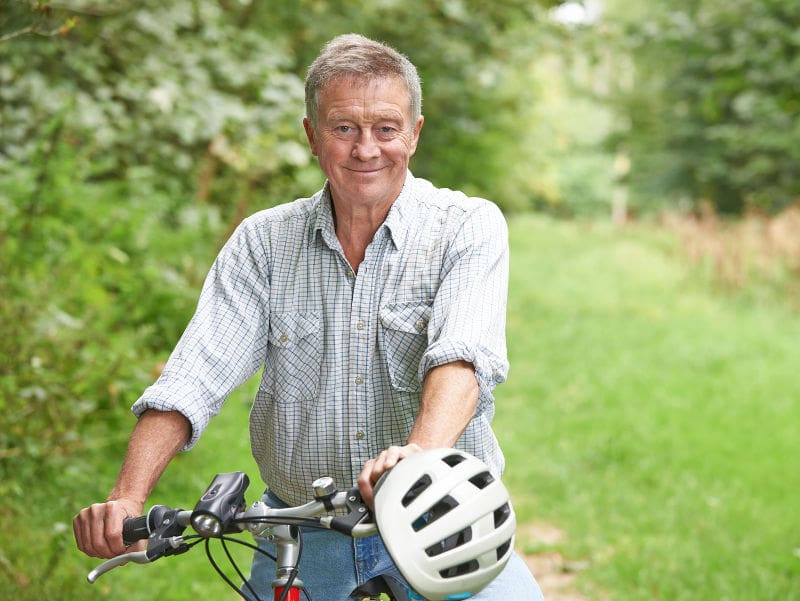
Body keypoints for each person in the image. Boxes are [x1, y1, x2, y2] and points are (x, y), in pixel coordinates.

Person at [73, 33, 544, 600]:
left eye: (386, 129)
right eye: (344, 128)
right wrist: (127, 497)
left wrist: (416, 460)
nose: (366, 149)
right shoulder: (264, 243)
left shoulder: (465, 227)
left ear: (414, 134)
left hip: (444, 525)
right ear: (312, 136)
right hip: (300, 535)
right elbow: (194, 375)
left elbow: (461, 358)